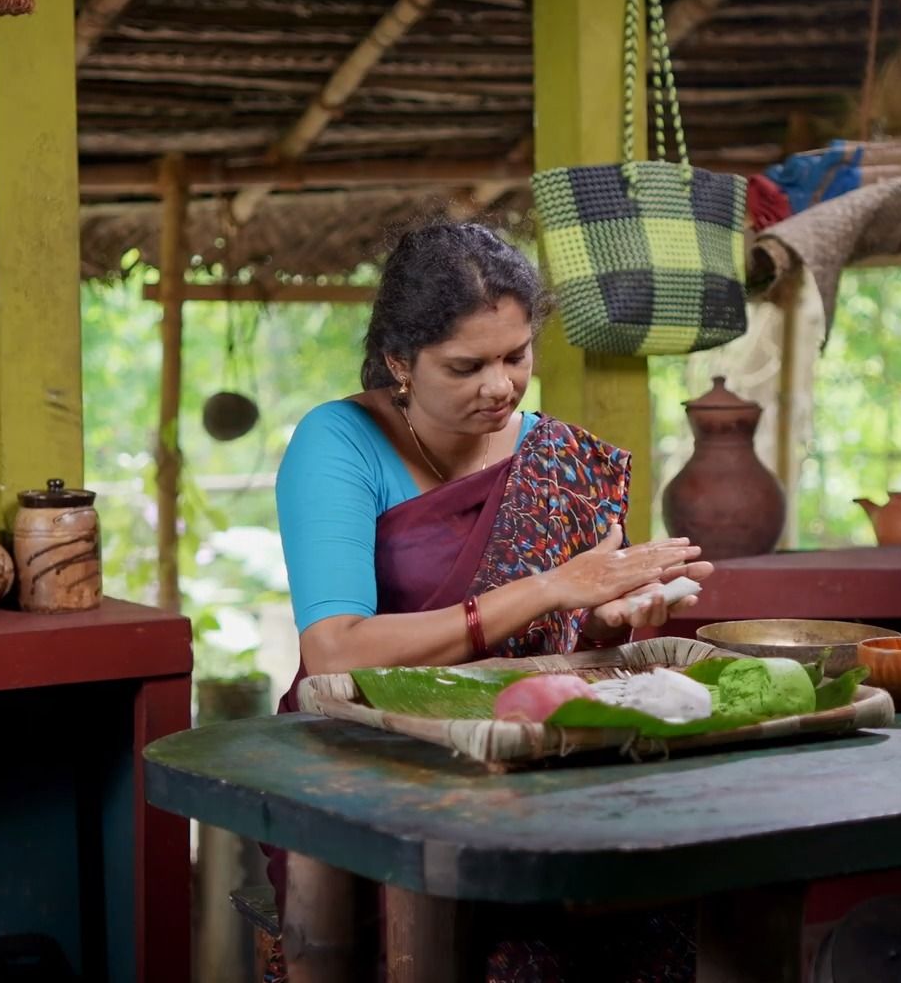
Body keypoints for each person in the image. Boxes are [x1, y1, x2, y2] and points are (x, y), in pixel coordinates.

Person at [268, 222, 715, 980]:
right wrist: (546, 590)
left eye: (516, 356)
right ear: (399, 362)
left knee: (669, 928)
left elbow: (575, 637)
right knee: (513, 963)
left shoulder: (557, 456)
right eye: (466, 366)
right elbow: (333, 653)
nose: (501, 385)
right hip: (375, 774)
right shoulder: (340, 442)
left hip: (539, 766)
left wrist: (609, 616)